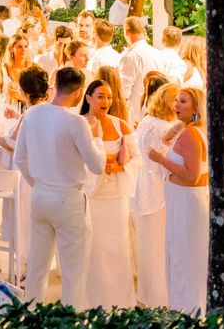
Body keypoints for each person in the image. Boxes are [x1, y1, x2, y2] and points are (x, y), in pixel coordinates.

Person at [13, 67, 107, 309]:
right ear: (78, 92)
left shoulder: (32, 114)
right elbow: (97, 166)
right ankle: (70, 319)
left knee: (37, 266)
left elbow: (19, 158)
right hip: (68, 198)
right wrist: (98, 138)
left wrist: (39, 184)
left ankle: (31, 314)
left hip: (41, 194)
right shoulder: (76, 121)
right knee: (73, 270)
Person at [148, 87, 209, 316]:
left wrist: (160, 159)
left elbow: (192, 174)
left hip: (187, 204)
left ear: (196, 107)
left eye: (183, 102)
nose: (176, 105)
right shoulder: (191, 130)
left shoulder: (191, 134)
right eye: (176, 101)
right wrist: (182, 121)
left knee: (186, 260)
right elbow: (166, 138)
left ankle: (189, 311)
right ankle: (185, 309)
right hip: (182, 202)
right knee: (181, 257)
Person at [78, 79, 137, 308]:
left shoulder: (122, 125)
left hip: (116, 197)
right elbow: (75, 161)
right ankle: (93, 304)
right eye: (100, 96)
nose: (106, 101)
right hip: (91, 197)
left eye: (109, 97)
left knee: (118, 248)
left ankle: (120, 304)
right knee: (93, 250)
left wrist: (122, 167)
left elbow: (138, 158)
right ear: (89, 98)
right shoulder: (80, 124)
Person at [133, 82, 179, 308]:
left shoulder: (146, 122)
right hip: (158, 192)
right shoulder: (163, 128)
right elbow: (164, 163)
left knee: (148, 248)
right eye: (177, 100)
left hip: (143, 188)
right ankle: (160, 300)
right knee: (159, 249)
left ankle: (149, 296)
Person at [119, 16, 161, 120]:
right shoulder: (158, 53)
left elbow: (124, 92)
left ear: (127, 32)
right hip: (156, 111)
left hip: (136, 115)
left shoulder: (130, 56)